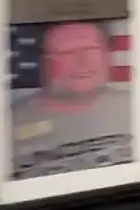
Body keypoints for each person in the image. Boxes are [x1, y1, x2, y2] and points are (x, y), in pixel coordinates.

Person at [10, 21, 133, 179]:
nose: (82, 62)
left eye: (91, 49)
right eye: (67, 52)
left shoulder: (138, 108)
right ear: (43, 62)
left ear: (106, 55)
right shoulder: (10, 123)